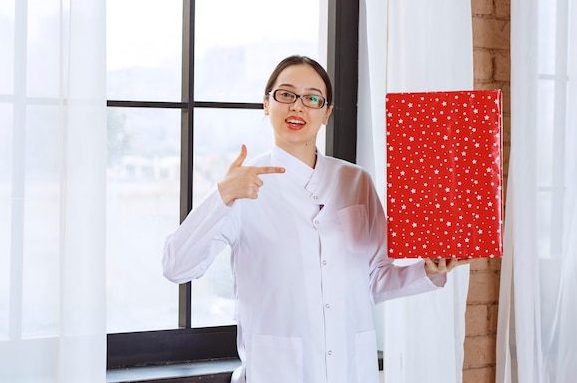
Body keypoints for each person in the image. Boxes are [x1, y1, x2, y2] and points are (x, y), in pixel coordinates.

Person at [162, 55, 469, 383]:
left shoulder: (356, 182)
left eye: (312, 98)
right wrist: (222, 195)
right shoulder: (242, 187)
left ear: (326, 113)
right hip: (276, 372)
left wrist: (428, 269)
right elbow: (176, 267)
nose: (298, 106)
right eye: (286, 94)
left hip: (351, 370)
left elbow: (374, 281)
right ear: (266, 104)